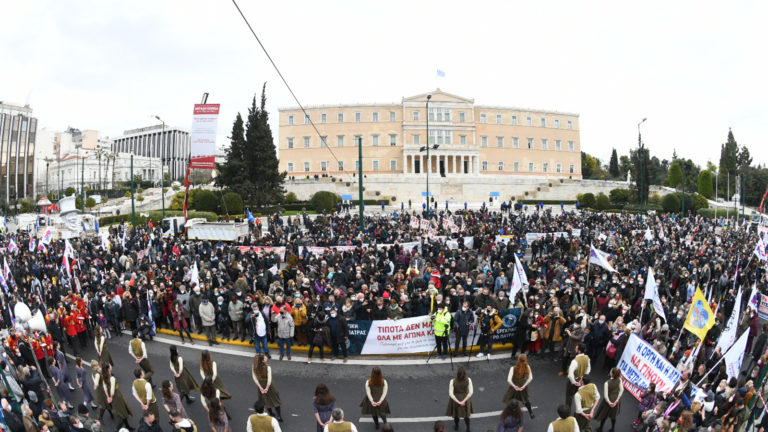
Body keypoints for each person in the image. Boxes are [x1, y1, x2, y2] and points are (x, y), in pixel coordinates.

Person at [101, 362, 134, 431]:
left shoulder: (104, 377)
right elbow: (112, 391)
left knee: (122, 412)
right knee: (123, 415)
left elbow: (105, 388)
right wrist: (111, 397)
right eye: (110, 365)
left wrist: (108, 397)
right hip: (116, 396)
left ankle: (128, 426)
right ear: (108, 368)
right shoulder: (112, 378)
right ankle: (117, 429)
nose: (111, 366)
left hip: (112, 397)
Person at [253, 354, 283, 422]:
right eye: (265, 358)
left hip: (261, 384)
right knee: (276, 400)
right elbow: (269, 379)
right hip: (269, 385)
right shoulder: (268, 367)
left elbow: (254, 378)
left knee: (265, 400)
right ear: (263, 361)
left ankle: (271, 413)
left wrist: (260, 388)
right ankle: (279, 416)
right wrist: (267, 388)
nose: (266, 357)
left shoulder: (255, 367)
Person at [502, 354, 535, 419]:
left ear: (518, 360)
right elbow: (530, 378)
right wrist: (524, 386)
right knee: (526, 399)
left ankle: (510, 413)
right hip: (523, 384)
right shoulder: (527, 367)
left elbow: (509, 380)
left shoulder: (513, 368)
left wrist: (514, 386)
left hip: (514, 384)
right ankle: (531, 412)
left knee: (510, 398)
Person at [593, 368, 623, 432]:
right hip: (615, 400)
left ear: (612, 374)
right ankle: (613, 428)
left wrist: (609, 403)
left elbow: (606, 396)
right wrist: (617, 400)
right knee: (613, 415)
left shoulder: (607, 383)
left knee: (604, 415)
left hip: (608, 402)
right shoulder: (619, 380)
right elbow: (621, 390)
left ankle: (601, 428)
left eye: (611, 371)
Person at [446, 367, 473, 431]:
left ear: (457, 374)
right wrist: (463, 401)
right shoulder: (469, 380)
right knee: (466, 415)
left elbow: (451, 394)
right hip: (465, 399)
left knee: (456, 414)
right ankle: (468, 428)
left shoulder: (452, 381)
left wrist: (459, 402)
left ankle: (456, 426)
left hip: (456, 399)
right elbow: (471, 392)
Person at [565, 343, 590, 408]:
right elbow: (588, 369)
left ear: (579, 351)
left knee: (569, 395)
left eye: (576, 348)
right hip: (581, 379)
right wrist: (582, 378)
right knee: (578, 394)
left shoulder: (575, 361)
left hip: (574, 380)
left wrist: (574, 382)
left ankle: (567, 409)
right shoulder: (587, 358)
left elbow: (570, 375)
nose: (575, 349)